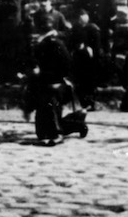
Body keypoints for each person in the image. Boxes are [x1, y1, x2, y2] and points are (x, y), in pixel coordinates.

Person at [23, 13, 87, 146]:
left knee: (50, 99)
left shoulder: (56, 44)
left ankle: (56, 133)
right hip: (43, 84)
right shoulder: (37, 45)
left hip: (59, 85)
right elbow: (30, 65)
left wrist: (56, 80)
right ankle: (76, 125)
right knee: (41, 132)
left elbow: (67, 67)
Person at [67, 10, 103, 111]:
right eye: (79, 16)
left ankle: (91, 102)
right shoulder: (75, 29)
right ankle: (84, 103)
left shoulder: (93, 29)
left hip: (90, 61)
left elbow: (97, 46)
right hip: (79, 59)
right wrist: (78, 47)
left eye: (83, 15)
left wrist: (88, 48)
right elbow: (70, 43)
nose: (81, 18)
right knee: (80, 82)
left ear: (87, 16)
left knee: (90, 82)